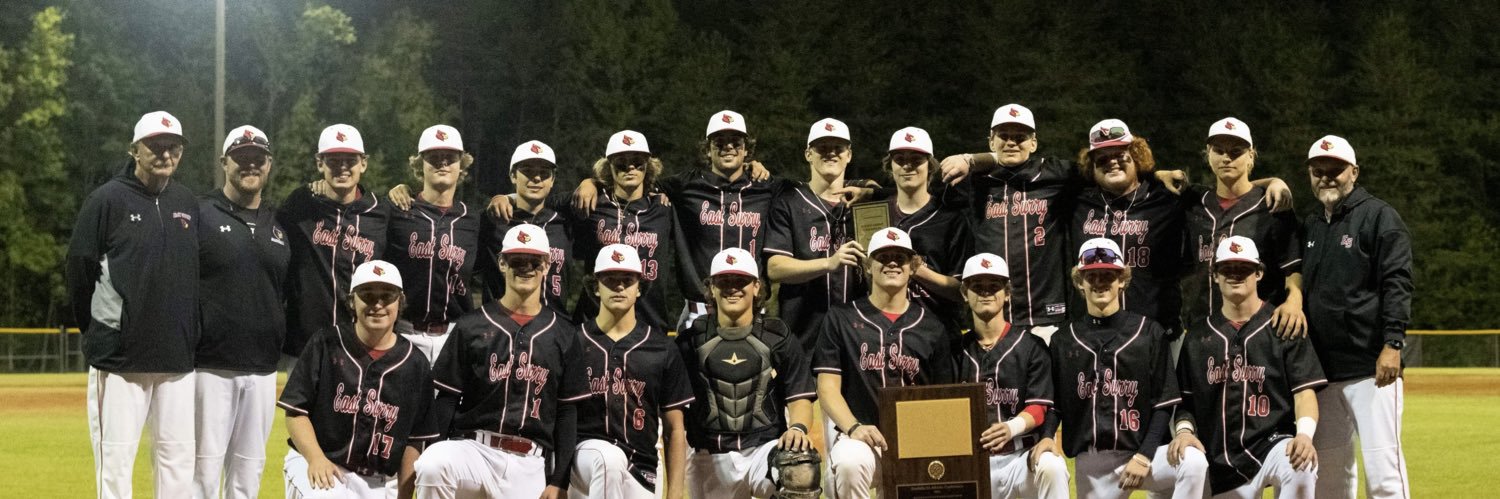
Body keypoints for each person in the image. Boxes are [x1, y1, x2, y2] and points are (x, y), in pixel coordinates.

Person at [67, 110, 200, 499]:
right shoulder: (106, 200)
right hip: (120, 359)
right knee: (116, 466)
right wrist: (99, 331)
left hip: (177, 360)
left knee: (177, 464)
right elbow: (79, 269)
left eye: (172, 146)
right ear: (134, 150)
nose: (164, 154)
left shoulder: (186, 202)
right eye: (154, 146)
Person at [410, 224, 581, 498]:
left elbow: (567, 413)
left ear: (547, 266)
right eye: (516, 261)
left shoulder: (564, 334)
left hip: (529, 461)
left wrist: (559, 480)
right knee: (432, 464)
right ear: (502, 263)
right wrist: (435, 447)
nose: (525, 268)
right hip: (474, 450)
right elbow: (447, 400)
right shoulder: (471, 325)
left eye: (534, 262)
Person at [1046, 238, 1207, 498]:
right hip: (1094, 464)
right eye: (1092, 275)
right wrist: (1046, 436)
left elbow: (1164, 404)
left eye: (1108, 275)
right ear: (1079, 282)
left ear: (1122, 280)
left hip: (1149, 453)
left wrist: (1144, 456)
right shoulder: (1063, 340)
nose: (1100, 282)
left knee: (1194, 461)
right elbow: (1056, 404)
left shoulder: (1149, 332)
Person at [1300, 135, 1413, 498]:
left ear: (1354, 172)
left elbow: (1397, 282)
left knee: (1384, 473)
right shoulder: (1312, 224)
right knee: (1330, 478)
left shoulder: (1379, 216)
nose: (1327, 177)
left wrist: (1392, 343)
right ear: (1310, 175)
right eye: (1319, 171)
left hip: (1370, 369)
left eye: (1336, 170)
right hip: (1322, 373)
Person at [1174, 236, 1324, 498]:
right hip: (1217, 457)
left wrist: (1304, 435)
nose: (1235, 275)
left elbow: (1304, 392)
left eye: (1243, 268)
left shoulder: (1283, 325)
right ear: (1215, 276)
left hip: (1272, 445)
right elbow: (1184, 403)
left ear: (1259, 273)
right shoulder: (1198, 336)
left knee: (1301, 465)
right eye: (1227, 269)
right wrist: (1185, 432)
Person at [813, 227, 955, 499]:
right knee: (848, 463)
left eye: (899, 257)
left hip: (917, 441)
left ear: (912, 267)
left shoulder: (932, 327)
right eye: (882, 256)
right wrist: (854, 427)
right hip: (860, 435)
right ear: (868, 266)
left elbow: (941, 398)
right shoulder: (840, 318)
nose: (891, 262)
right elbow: (827, 388)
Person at [277, 260, 433, 498]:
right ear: (352, 301)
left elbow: (415, 440)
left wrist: (404, 495)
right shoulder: (326, 344)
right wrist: (316, 458)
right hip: (317, 464)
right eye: (367, 295)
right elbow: (296, 411)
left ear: (400, 302)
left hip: (377, 481)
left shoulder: (415, 363)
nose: (377, 304)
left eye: (387, 296)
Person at [675, 248, 821, 499]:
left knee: (799, 468)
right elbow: (675, 409)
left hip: (763, 450)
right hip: (709, 454)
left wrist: (797, 428)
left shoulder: (778, 336)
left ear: (756, 287)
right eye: (724, 281)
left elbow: (799, 395)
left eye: (740, 281)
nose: (733, 288)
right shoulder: (690, 341)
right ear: (711, 288)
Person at [194, 125, 290, 499]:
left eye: (258, 158)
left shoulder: (278, 222)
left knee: (248, 475)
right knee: (202, 474)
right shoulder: (200, 212)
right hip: (210, 366)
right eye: (241, 157)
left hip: (264, 368)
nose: (250, 164)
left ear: (269, 165)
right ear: (224, 163)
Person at [562, 244, 695, 499]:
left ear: (639, 288)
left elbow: (674, 429)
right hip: (583, 462)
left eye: (627, 279)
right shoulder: (573, 342)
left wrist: (675, 492)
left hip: (641, 470)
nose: (619, 286)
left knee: (613, 463)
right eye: (610, 280)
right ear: (595, 287)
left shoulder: (661, 348)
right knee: (607, 458)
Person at [953, 252, 1069, 499]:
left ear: (1007, 293)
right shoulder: (955, 350)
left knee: (1052, 466)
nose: (986, 292)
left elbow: (1039, 407)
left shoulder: (1031, 346)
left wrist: (1011, 427)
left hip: (1020, 459)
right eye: (977, 286)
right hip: (970, 462)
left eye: (994, 286)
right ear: (965, 293)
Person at [1180, 118, 1305, 344]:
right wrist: (1160, 175)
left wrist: (1294, 301)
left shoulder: (1272, 205)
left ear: (1251, 156)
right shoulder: (1192, 202)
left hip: (1260, 333)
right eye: (1218, 150)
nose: (1227, 157)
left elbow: (1292, 266)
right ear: (1208, 154)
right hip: (1200, 331)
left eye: (1236, 151)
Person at [279, 124, 390, 357]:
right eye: (333, 160)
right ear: (319, 163)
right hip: (304, 345)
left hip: (361, 345)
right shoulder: (301, 205)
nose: (342, 167)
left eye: (349, 160)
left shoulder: (381, 213)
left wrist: (405, 189)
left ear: (364, 163)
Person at [1070, 119, 1186, 336]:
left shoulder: (1167, 200)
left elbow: (1225, 194)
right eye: (1102, 158)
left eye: (1120, 155)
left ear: (1136, 157)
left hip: (1157, 332)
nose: (1111, 162)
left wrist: (1269, 183)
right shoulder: (1076, 203)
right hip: (1092, 335)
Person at [766, 118, 868, 349]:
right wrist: (828, 263)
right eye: (822, 147)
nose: (830, 153)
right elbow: (775, 268)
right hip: (803, 334)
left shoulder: (867, 204)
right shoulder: (789, 201)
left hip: (860, 335)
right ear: (808, 154)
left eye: (838, 148)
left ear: (849, 155)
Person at [383, 124, 480, 362]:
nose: (442, 163)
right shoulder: (397, 212)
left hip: (455, 336)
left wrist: (505, 196)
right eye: (433, 157)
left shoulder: (475, 220)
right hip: (404, 333)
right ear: (420, 164)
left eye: (450, 157)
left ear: (462, 165)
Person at [569, 130, 679, 332]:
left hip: (650, 320)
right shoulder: (593, 204)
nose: (630, 167)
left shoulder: (664, 208)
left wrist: (751, 166)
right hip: (594, 322)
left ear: (648, 166)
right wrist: (589, 182)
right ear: (608, 166)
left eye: (637, 161)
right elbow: (543, 201)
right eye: (621, 162)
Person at [880, 126, 970, 333]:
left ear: (930, 166)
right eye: (900, 159)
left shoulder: (950, 218)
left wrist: (919, 271)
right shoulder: (874, 213)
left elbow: (964, 290)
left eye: (916, 160)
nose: (907, 166)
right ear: (890, 166)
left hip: (937, 331)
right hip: (882, 331)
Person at [478, 140, 575, 315]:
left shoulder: (566, 223)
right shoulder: (492, 221)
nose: (536, 178)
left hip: (553, 329)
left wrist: (590, 182)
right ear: (513, 176)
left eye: (544, 173)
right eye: (528, 171)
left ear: (552, 180)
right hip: (500, 327)